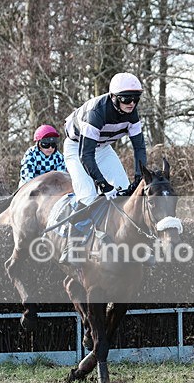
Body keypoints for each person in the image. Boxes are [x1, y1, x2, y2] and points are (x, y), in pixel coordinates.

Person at [59, 72, 149, 264]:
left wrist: (139, 178)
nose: (131, 103)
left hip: (103, 148)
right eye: (126, 98)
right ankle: (72, 244)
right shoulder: (97, 113)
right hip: (78, 148)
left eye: (136, 98)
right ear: (114, 97)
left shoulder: (132, 114)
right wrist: (104, 184)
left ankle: (135, 245)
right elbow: (86, 155)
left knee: (126, 194)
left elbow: (139, 148)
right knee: (88, 195)